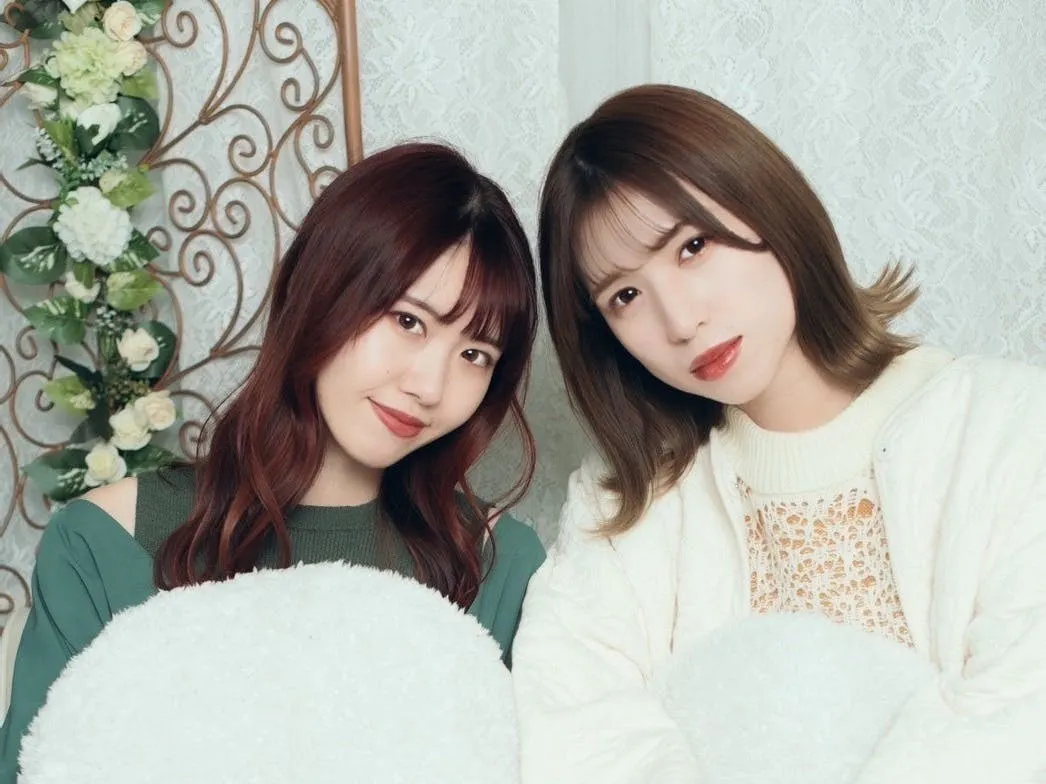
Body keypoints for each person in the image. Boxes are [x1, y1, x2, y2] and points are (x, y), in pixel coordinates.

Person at [512, 83, 1046, 783]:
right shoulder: (623, 507)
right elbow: (575, 733)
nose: (680, 320)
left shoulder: (1009, 425)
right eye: (626, 295)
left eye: (692, 246)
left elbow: (1022, 709)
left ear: (767, 204)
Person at [1, 142, 545, 780]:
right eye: (408, 321)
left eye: (475, 354)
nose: (430, 385)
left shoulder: (499, 566)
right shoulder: (105, 539)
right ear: (320, 290)